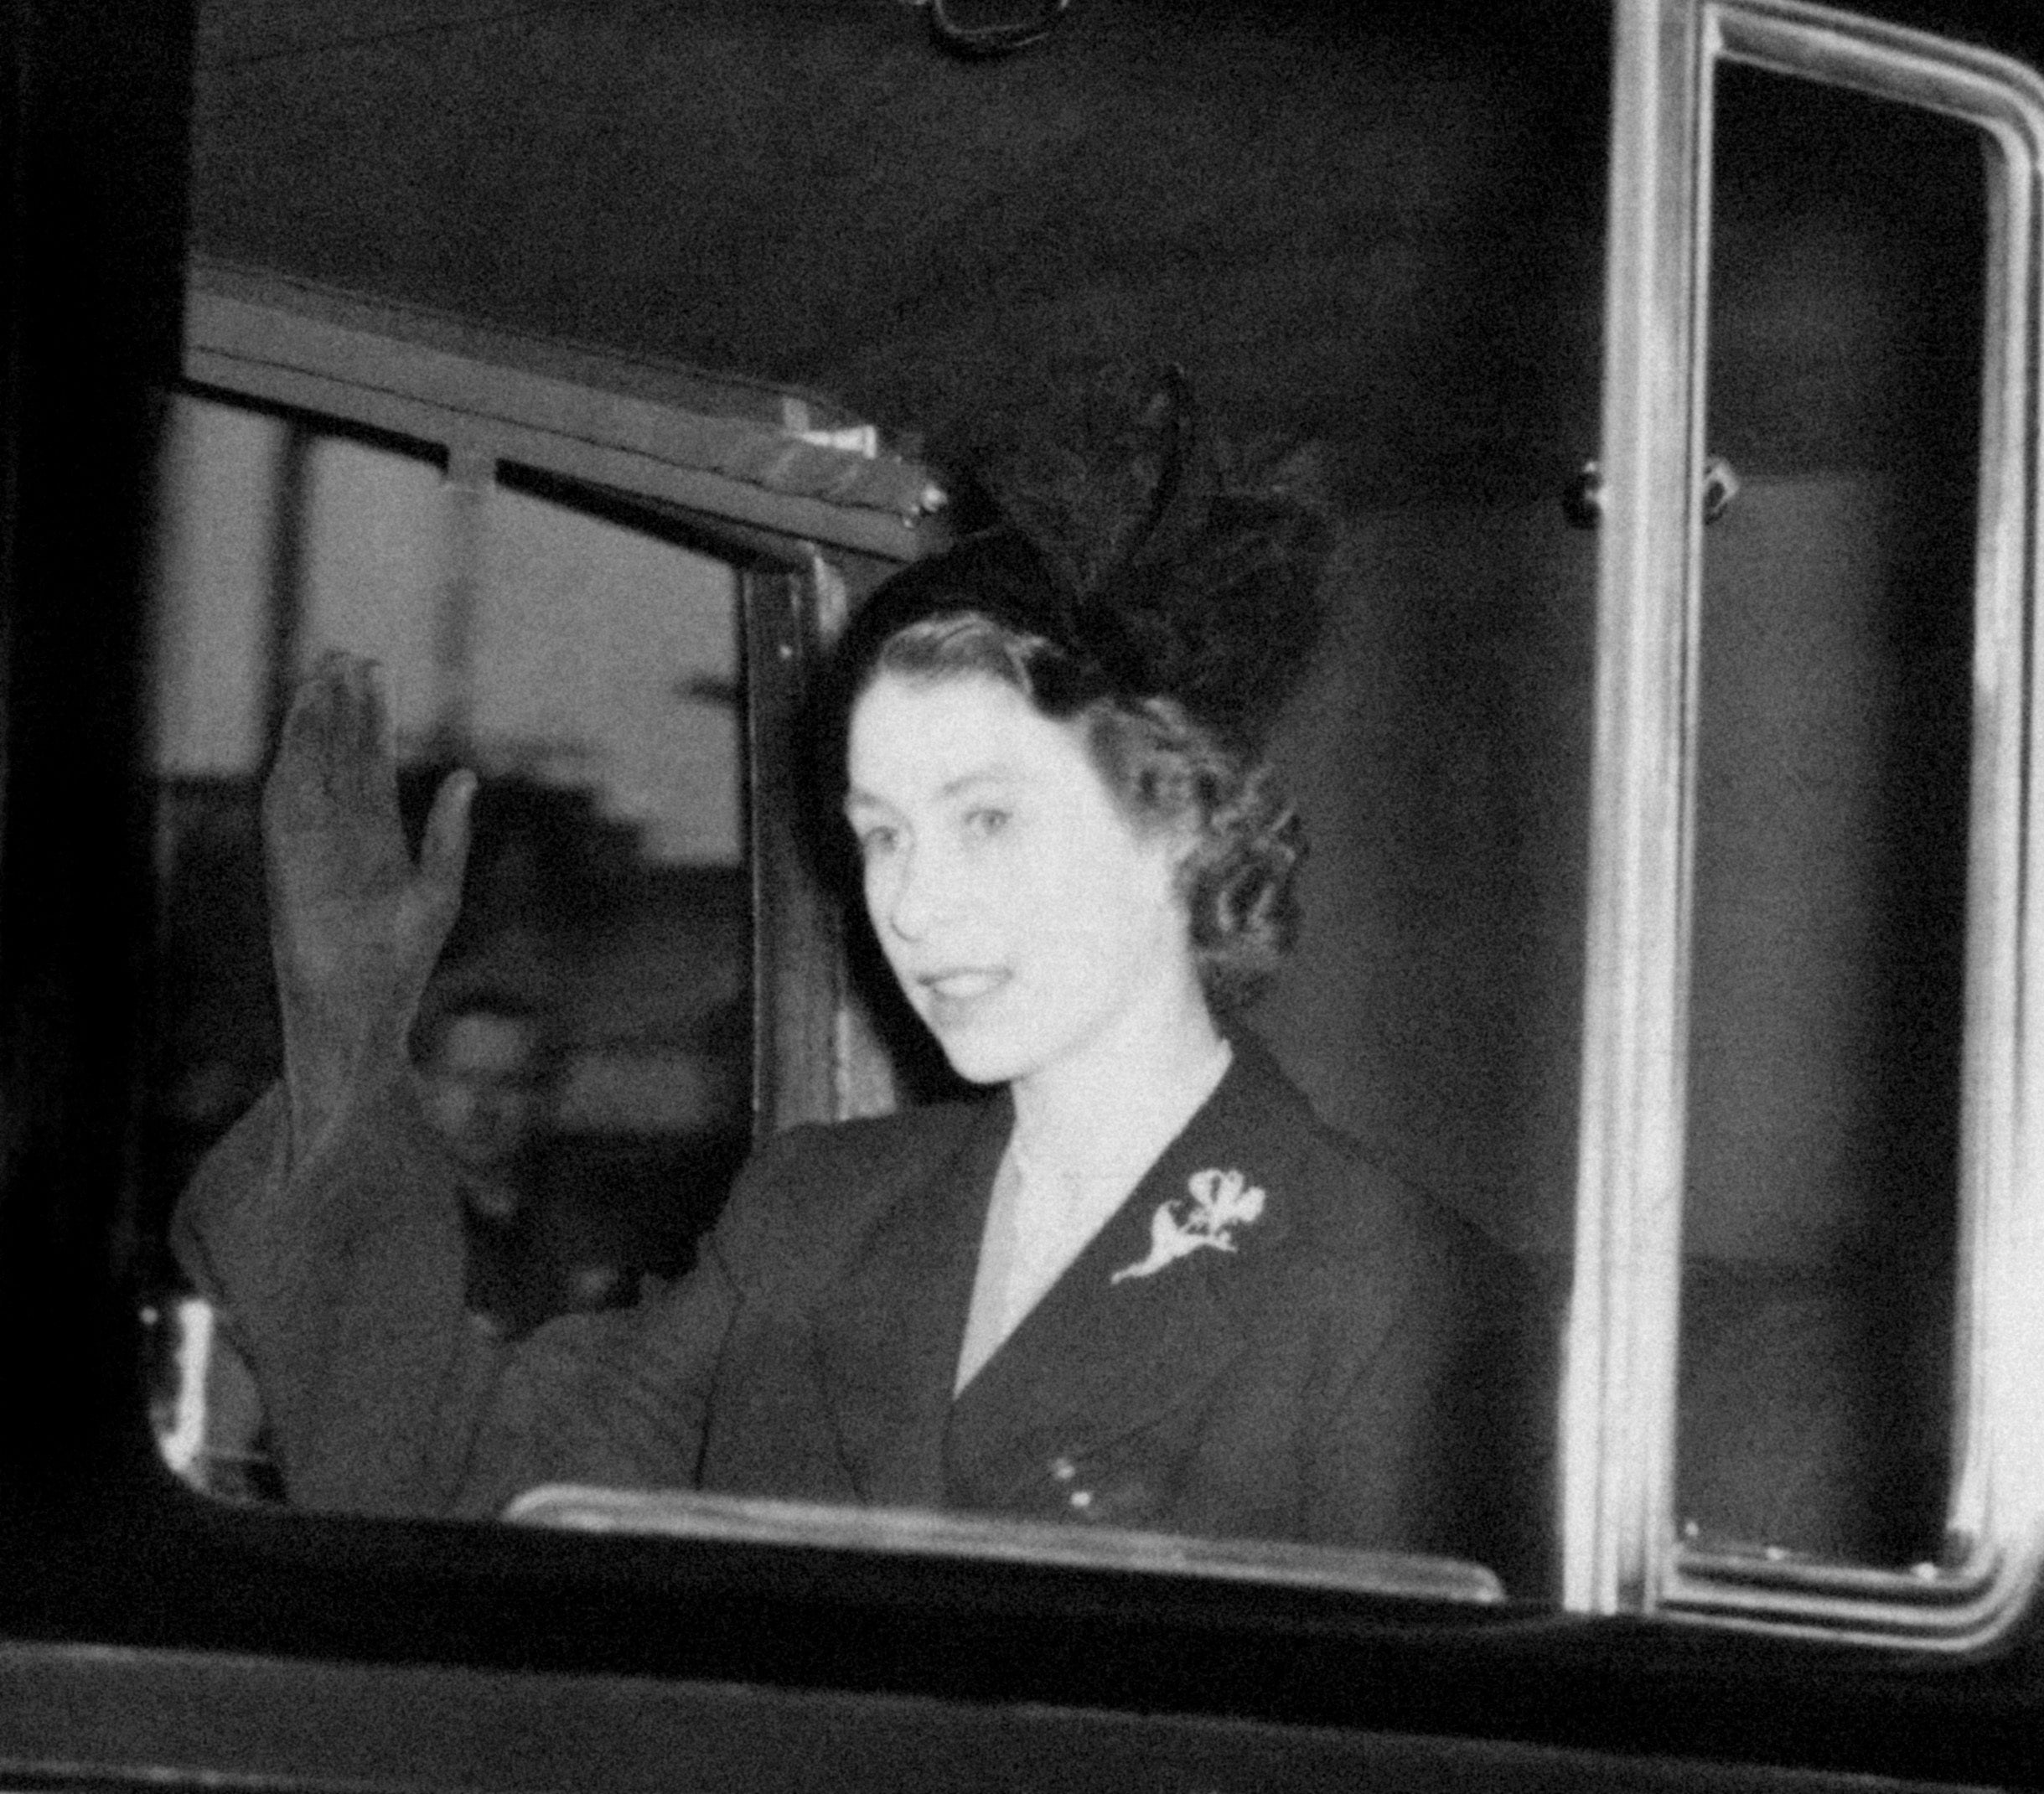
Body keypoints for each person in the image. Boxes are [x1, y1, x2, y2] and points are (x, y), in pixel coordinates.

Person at [176, 380, 1516, 1564]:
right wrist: (348, 1030)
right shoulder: (815, 1220)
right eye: (882, 833)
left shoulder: (1397, 1303)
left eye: (986, 818)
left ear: (1175, 821)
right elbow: (469, 1498)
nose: (914, 905)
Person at [409, 990, 639, 1338]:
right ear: (426, 1088)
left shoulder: (587, 1220)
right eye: (466, 1079)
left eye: (507, 1083)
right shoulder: (386, 1221)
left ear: (544, 1097)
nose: (482, 1108)